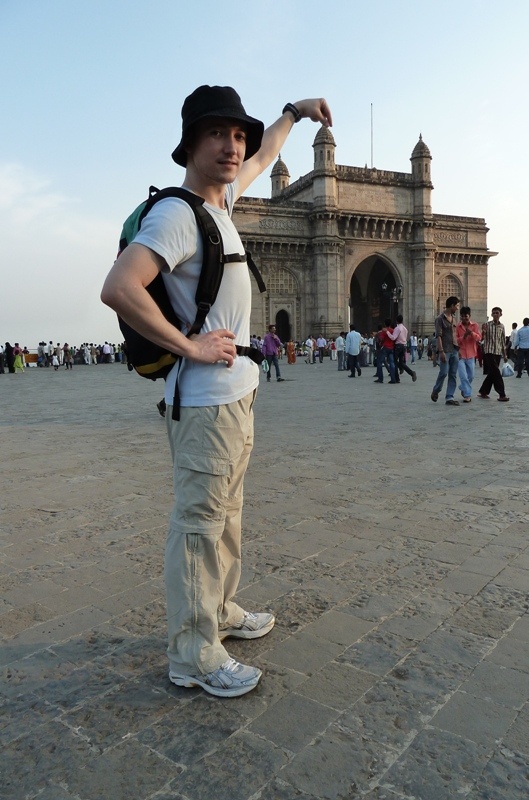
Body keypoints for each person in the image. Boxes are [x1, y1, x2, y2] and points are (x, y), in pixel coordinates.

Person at [101, 85, 332, 698]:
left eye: (238, 135)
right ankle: (193, 654)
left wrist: (292, 114)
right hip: (202, 400)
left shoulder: (221, 203)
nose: (234, 148)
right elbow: (120, 287)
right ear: (191, 144)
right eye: (218, 135)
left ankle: (220, 613)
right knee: (199, 523)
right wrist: (193, 346)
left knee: (226, 516)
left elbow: (263, 159)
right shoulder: (178, 214)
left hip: (235, 398)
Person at [431, 296, 460, 405]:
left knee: (453, 374)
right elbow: (438, 336)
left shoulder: (454, 319)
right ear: (452, 305)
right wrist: (441, 351)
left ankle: (449, 397)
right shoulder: (440, 319)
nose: (457, 308)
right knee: (443, 373)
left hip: (454, 350)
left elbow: (455, 335)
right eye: (456, 306)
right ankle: (436, 390)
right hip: (445, 350)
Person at [477, 307, 509, 401]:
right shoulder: (486, 325)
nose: (495, 314)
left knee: (492, 373)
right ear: (491, 315)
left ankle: (483, 391)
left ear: (501, 314)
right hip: (489, 351)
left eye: (497, 313)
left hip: (498, 352)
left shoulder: (502, 326)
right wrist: (483, 332)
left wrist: (505, 354)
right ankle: (502, 394)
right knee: (496, 372)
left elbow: (503, 341)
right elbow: (480, 340)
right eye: (494, 313)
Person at [456, 306, 481, 402]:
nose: (464, 318)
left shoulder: (475, 326)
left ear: (469, 316)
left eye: (466, 316)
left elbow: (479, 338)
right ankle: (467, 395)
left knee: (471, 376)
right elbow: (456, 341)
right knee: (463, 376)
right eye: (462, 316)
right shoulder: (458, 327)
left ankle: (462, 387)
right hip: (460, 355)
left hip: (471, 354)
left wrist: (471, 333)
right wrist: (464, 336)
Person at [387, 314, 417, 383]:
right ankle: (411, 373)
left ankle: (396, 378)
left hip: (398, 346)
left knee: (394, 362)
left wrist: (387, 332)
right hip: (403, 346)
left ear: (397, 321)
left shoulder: (397, 328)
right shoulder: (405, 329)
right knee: (402, 363)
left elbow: (393, 337)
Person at [375, 319, 396, 383]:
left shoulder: (384, 331)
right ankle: (393, 378)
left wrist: (379, 343)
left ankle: (380, 378)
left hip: (385, 347)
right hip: (391, 348)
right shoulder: (393, 330)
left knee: (379, 362)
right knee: (392, 363)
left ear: (385, 324)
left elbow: (381, 339)